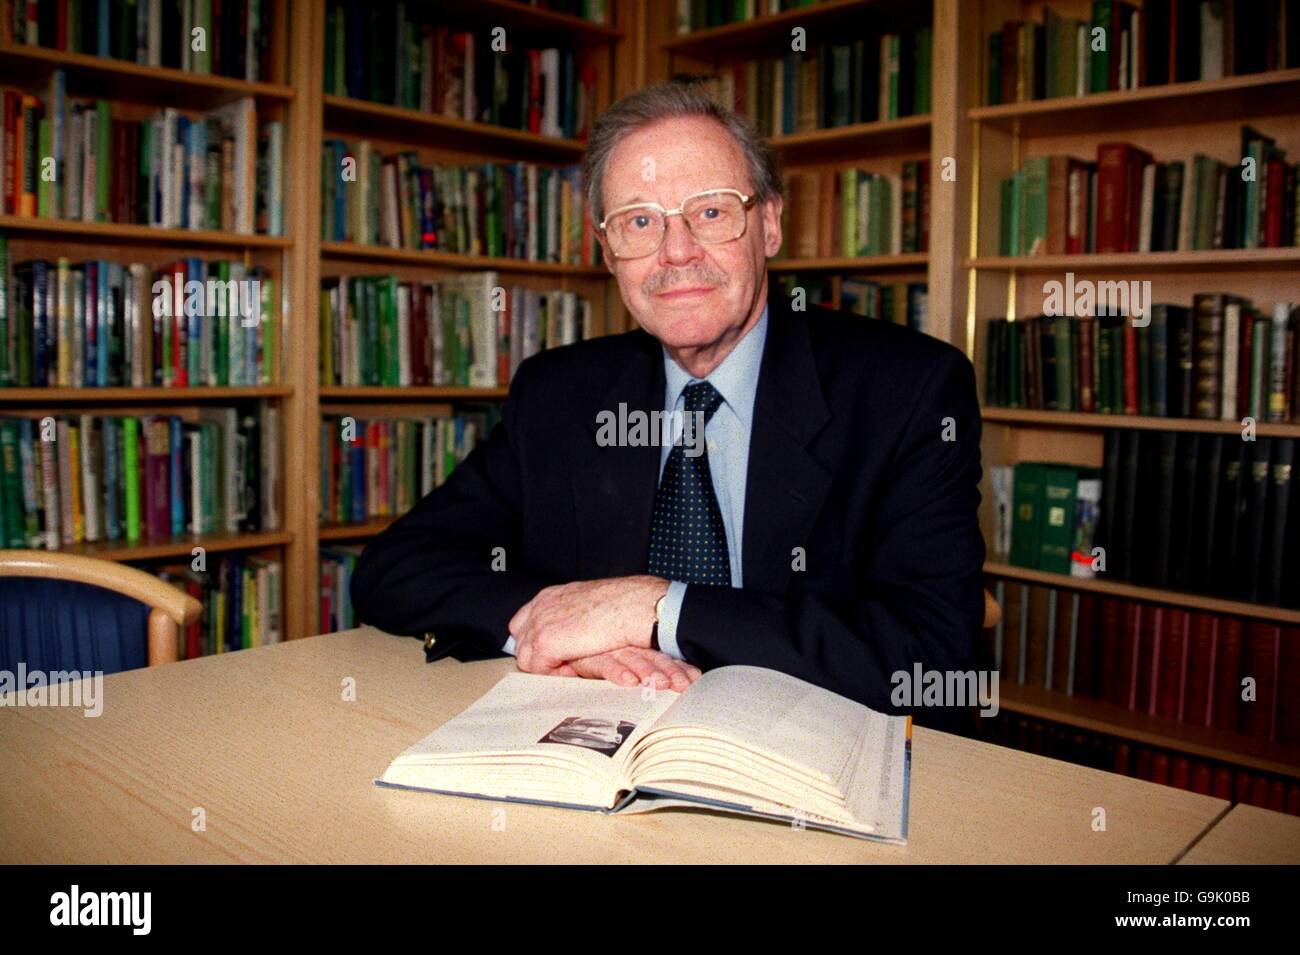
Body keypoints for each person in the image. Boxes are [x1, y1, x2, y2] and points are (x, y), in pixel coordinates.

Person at [350, 82, 985, 724]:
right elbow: (394, 568)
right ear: (608, 253)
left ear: (768, 224)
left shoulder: (909, 390)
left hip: (807, 761)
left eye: (710, 212)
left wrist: (656, 610)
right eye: (640, 222)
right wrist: (562, 636)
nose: (676, 252)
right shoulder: (559, 394)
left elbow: (933, 662)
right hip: (596, 756)